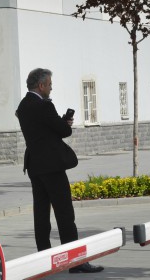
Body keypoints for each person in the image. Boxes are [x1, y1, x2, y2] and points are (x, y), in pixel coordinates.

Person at [16, 68, 104, 273]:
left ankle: (44, 260)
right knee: (65, 213)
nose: (51, 87)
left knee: (41, 213)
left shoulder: (23, 106)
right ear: (41, 85)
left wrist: (58, 124)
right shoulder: (44, 105)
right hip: (52, 166)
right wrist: (66, 123)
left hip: (35, 165)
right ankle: (75, 261)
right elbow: (63, 131)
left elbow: (42, 130)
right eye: (49, 84)